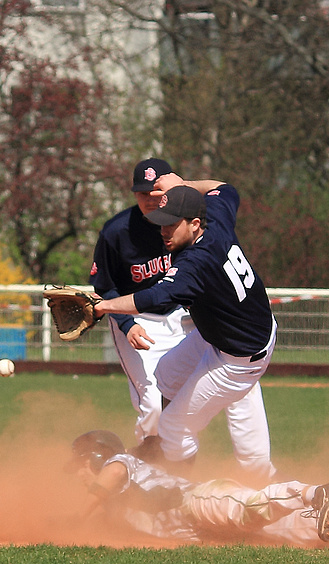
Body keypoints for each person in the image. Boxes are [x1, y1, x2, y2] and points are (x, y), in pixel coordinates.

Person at [90, 159, 276, 481]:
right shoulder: (215, 220)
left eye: (171, 224)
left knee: (174, 426)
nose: (163, 231)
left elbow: (154, 297)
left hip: (239, 356)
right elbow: (226, 189)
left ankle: (177, 490)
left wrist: (103, 307)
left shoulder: (195, 263)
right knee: (166, 375)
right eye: (161, 223)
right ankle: (166, 448)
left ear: (192, 224)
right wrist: (185, 185)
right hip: (229, 332)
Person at [69, 431, 329, 545]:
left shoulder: (121, 465)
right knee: (298, 531)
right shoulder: (116, 504)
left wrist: (75, 520)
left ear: (95, 458)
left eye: (81, 465)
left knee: (250, 506)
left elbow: (110, 478)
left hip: (198, 502)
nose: (79, 475)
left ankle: (315, 492)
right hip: (204, 528)